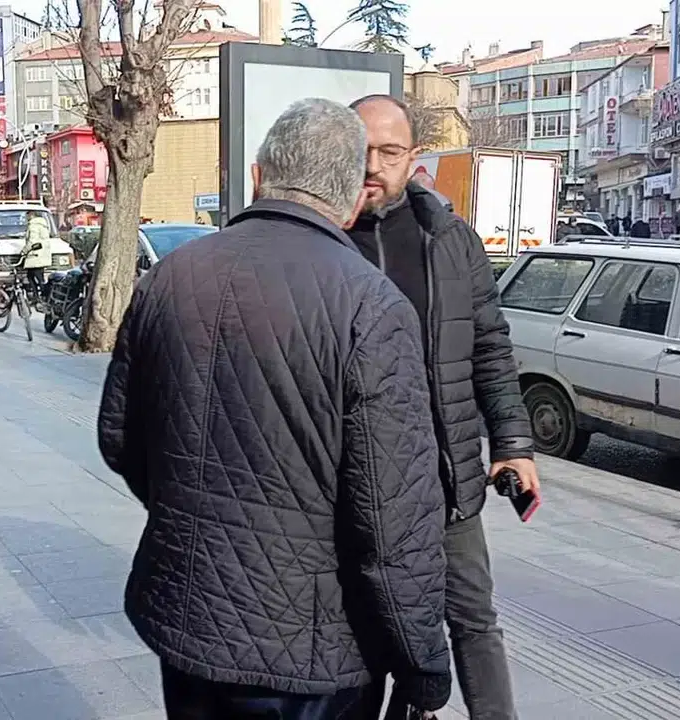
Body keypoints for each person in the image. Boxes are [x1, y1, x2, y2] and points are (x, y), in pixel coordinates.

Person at [98, 98, 451, 720]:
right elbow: (397, 519)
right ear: (352, 199)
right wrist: (425, 667)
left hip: (189, 618)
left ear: (258, 177)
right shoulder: (371, 306)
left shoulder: (170, 277)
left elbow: (121, 439)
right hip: (314, 653)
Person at [350, 94, 538, 720]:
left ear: (414, 159)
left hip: (447, 479)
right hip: (359, 487)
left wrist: (513, 444)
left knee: (474, 619)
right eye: (362, 150)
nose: (374, 165)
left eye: (390, 152)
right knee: (370, 630)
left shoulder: (451, 240)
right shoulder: (324, 241)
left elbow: (490, 347)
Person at [22, 212, 53, 296]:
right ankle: (41, 295)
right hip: (42, 255)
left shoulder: (33, 225)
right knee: (38, 277)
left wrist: (24, 251)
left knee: (32, 277)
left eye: (27, 215)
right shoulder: (43, 225)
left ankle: (41, 295)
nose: (26, 218)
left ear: (31, 215)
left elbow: (32, 241)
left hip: (35, 256)